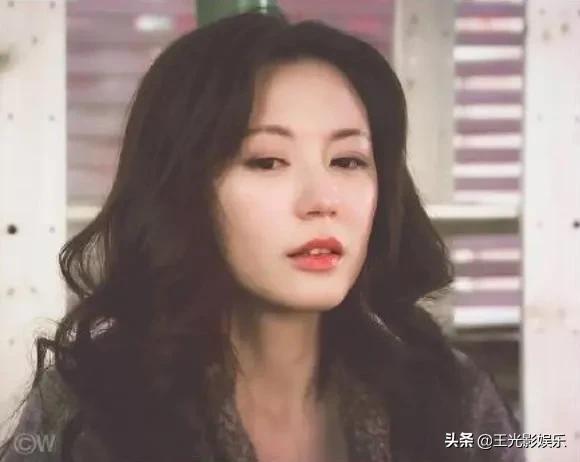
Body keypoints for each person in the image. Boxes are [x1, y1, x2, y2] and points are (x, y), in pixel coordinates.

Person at [0, 11, 524, 462]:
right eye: (268, 161)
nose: (322, 200)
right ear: (184, 189)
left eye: (348, 160)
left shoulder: (452, 399)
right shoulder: (95, 406)